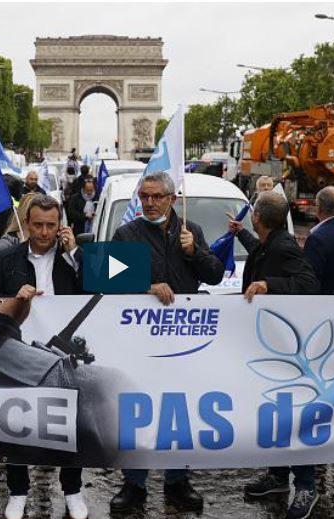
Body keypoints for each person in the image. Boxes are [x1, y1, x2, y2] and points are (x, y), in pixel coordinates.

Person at [108, 171, 224, 513]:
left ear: (173, 199)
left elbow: (215, 274)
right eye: (145, 196)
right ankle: (134, 482)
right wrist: (146, 288)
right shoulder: (126, 234)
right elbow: (106, 281)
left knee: (180, 411)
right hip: (140, 342)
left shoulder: (192, 232)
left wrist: (194, 253)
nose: (149, 202)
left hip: (183, 341)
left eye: (157, 196)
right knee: (139, 411)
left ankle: (177, 480)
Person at [0, 194, 88, 519]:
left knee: (69, 423)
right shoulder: (6, 259)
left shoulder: (76, 255)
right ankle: (17, 491)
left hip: (63, 355)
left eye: (51, 225)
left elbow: (102, 292)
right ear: (26, 224)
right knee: (17, 421)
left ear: (61, 226)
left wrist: (75, 255)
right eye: (38, 225)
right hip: (21, 353)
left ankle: (72, 490)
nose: (44, 232)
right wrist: (14, 300)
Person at [237, 192, 320, 519]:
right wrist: (239, 233)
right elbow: (260, 253)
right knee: (275, 415)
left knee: (293, 416)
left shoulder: (284, 246)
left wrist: (267, 285)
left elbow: (308, 283)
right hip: (270, 343)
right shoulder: (270, 243)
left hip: (288, 347)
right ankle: (277, 476)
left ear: (258, 216)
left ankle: (306, 485)